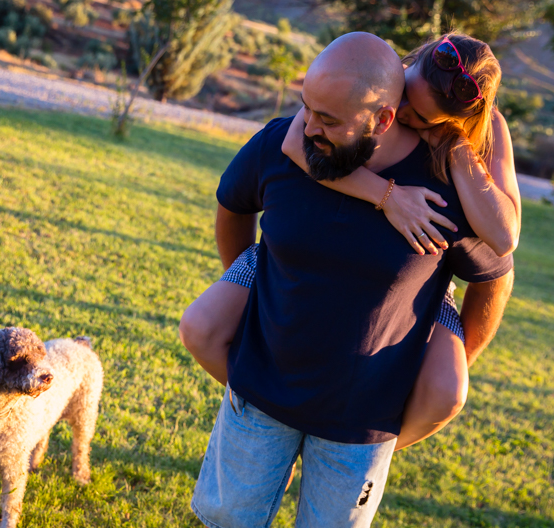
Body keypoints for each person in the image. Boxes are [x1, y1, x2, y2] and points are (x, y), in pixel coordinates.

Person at [186, 32, 514, 528]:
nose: (405, 115)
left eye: (419, 117)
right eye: (403, 98)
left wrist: (455, 151)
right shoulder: (305, 128)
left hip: (364, 413)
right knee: (226, 515)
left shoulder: (452, 175)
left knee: (444, 394)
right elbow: (277, 160)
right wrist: (386, 195)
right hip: (266, 377)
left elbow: (500, 252)